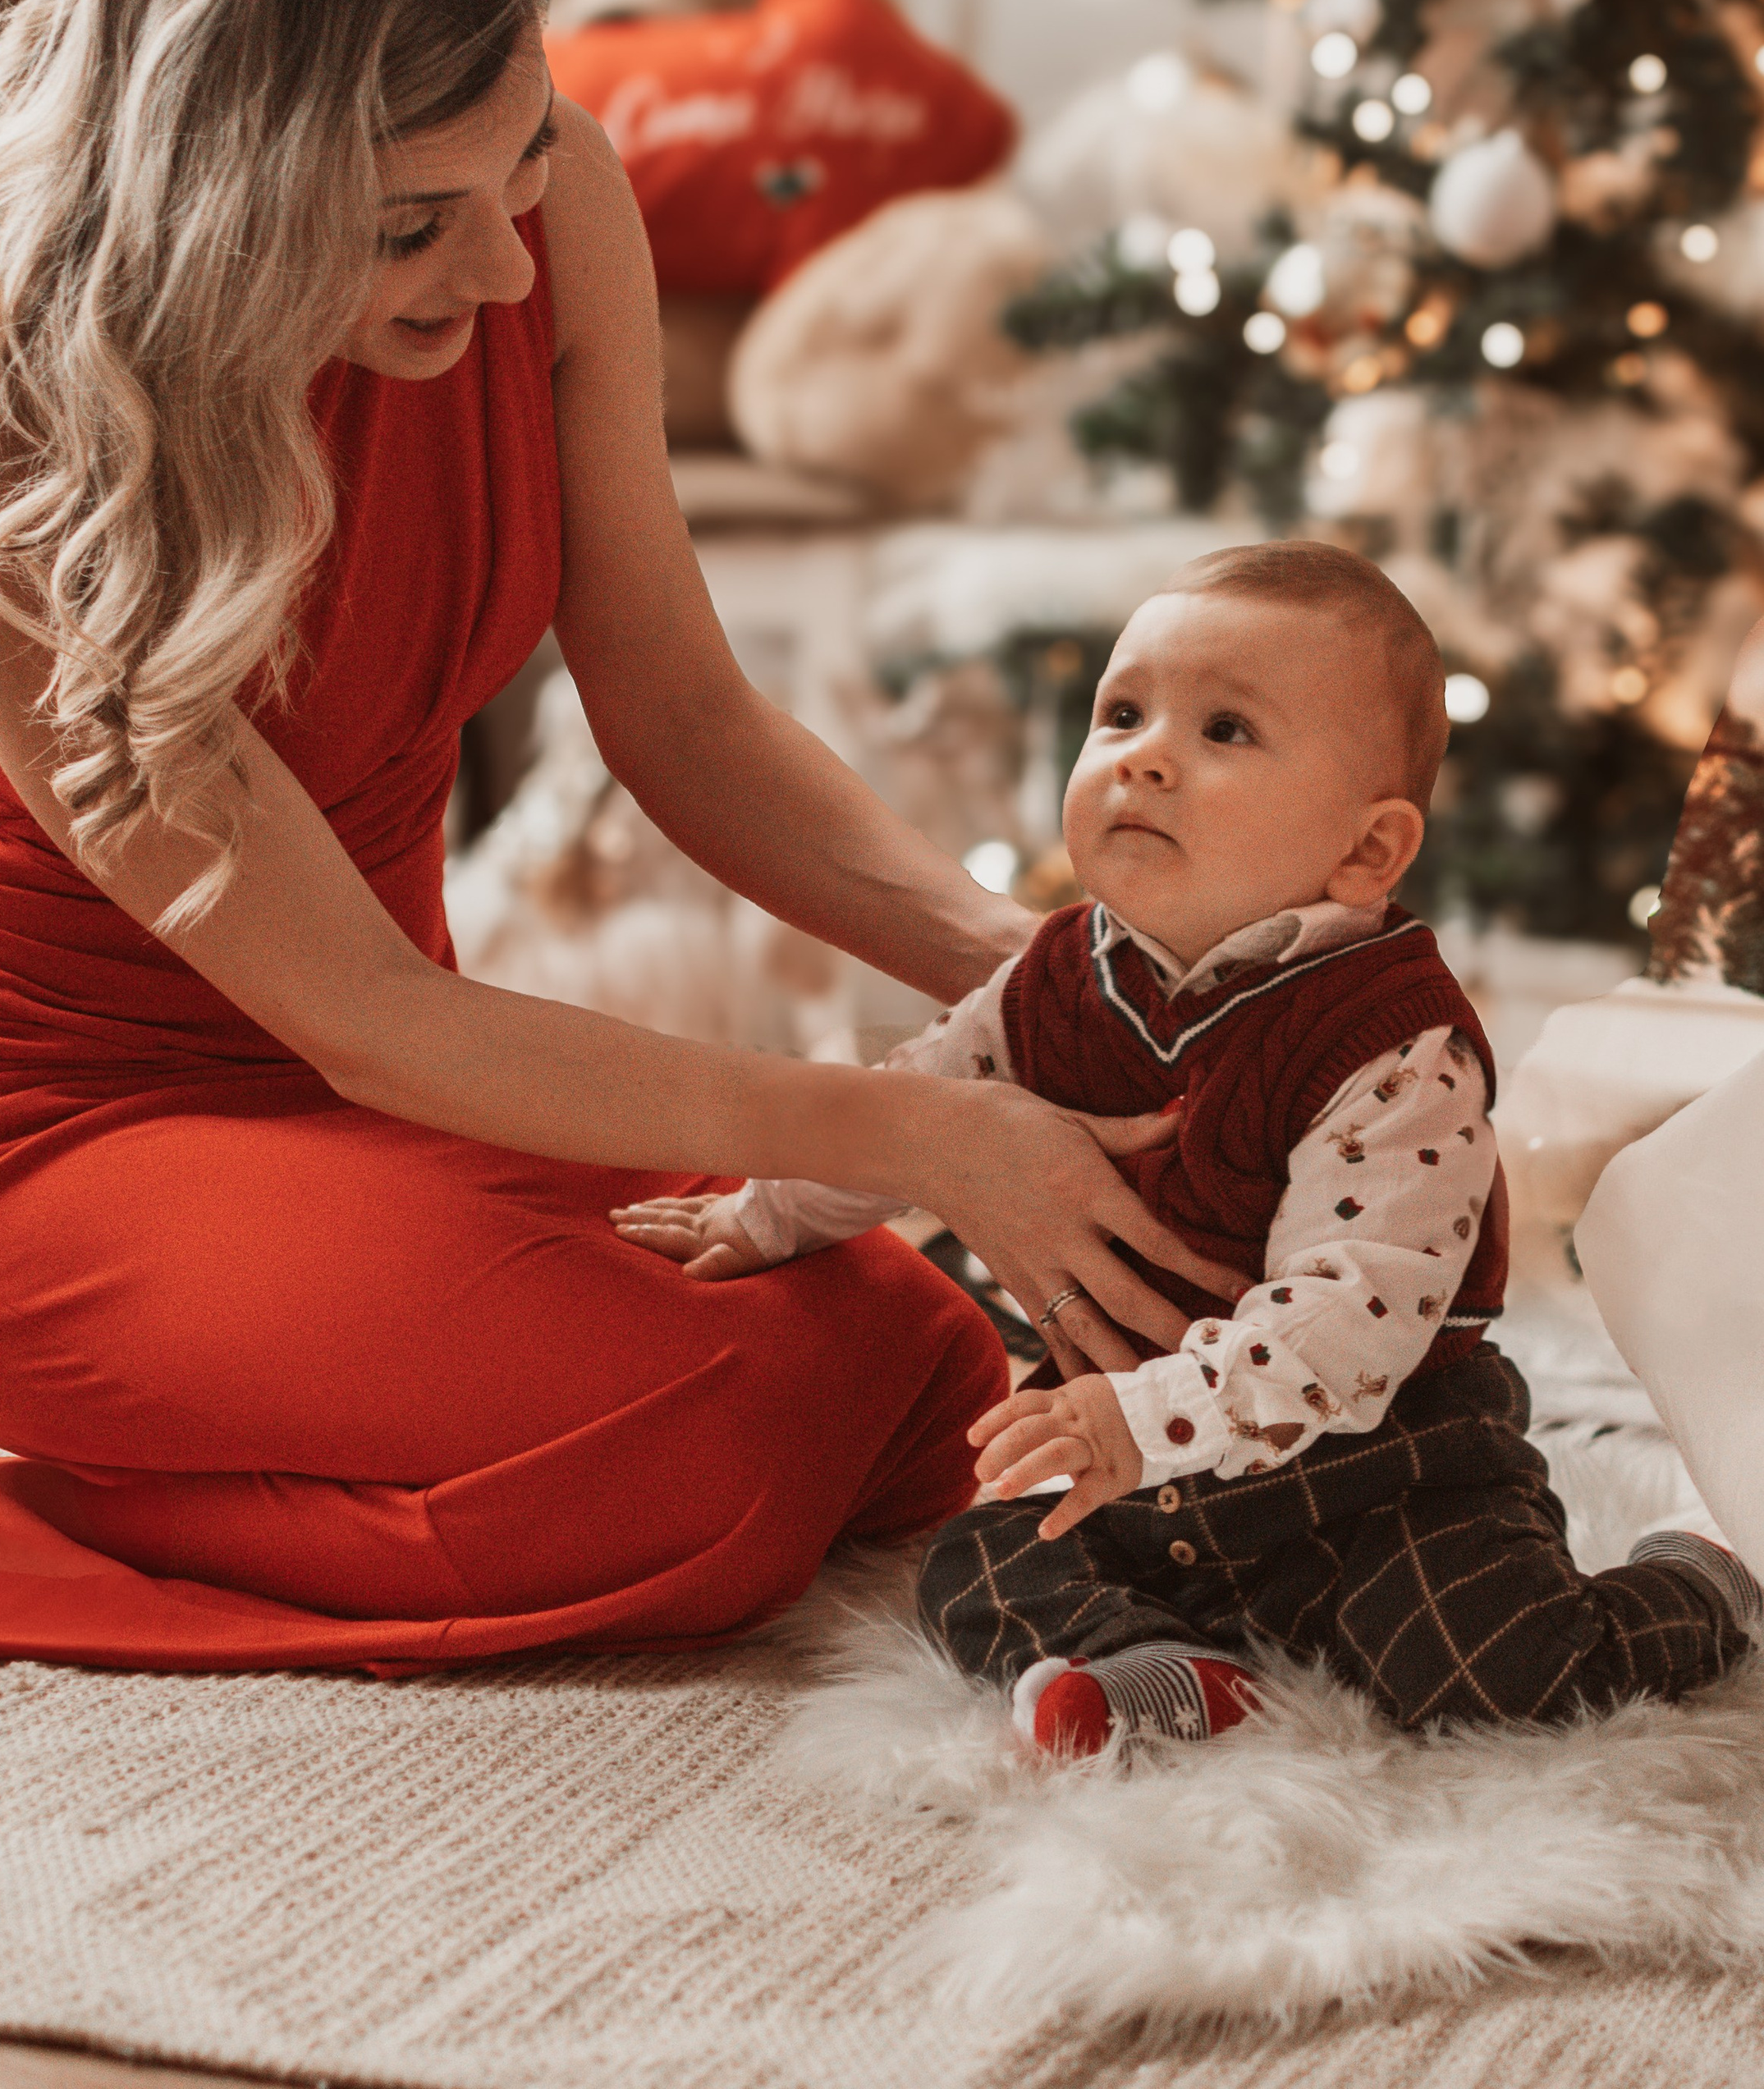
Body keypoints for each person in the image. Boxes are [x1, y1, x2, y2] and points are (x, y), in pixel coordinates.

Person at [0, 0, 1244, 1674]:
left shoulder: (546, 193)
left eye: (519, 158)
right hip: (53, 1142)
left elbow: (685, 717)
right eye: (412, 220)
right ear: (225, 197)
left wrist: (1046, 980)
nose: (508, 257)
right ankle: (7, 1524)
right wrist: (916, 1130)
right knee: (700, 1472)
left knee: (909, 1380)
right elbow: (360, 1010)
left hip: (403, 1076)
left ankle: (372, 1418)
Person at [616, 543, 1762, 1748]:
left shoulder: (1394, 1044)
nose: (1145, 754)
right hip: (1137, 1459)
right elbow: (914, 1107)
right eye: (1122, 713)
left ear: (1368, 852)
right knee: (978, 1563)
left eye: (1225, 731)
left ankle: (1698, 1577)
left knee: (1492, 1668)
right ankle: (1160, 1674)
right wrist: (762, 1215)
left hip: (1379, 1467)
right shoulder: (1053, 979)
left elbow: (1349, 1321)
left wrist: (1139, 1420)